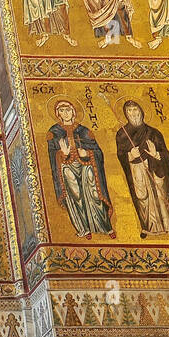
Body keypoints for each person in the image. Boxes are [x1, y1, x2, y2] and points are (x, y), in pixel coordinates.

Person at [114, 100, 169, 236]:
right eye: (129, 111)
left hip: (155, 169)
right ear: (125, 114)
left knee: (162, 195)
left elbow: (165, 153)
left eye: (135, 110)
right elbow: (120, 154)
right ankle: (150, 227)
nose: (133, 114)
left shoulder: (154, 133)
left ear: (141, 111)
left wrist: (157, 154)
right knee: (144, 199)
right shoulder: (122, 134)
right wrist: (130, 155)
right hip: (136, 171)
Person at [47, 99, 113, 238]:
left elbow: (98, 152)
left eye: (68, 110)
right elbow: (52, 156)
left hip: (87, 166)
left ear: (73, 111)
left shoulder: (84, 131)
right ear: (58, 113)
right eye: (62, 110)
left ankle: (105, 226)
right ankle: (84, 228)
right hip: (67, 168)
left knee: (94, 194)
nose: (65, 113)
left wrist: (88, 153)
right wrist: (62, 154)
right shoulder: (54, 132)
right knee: (75, 196)